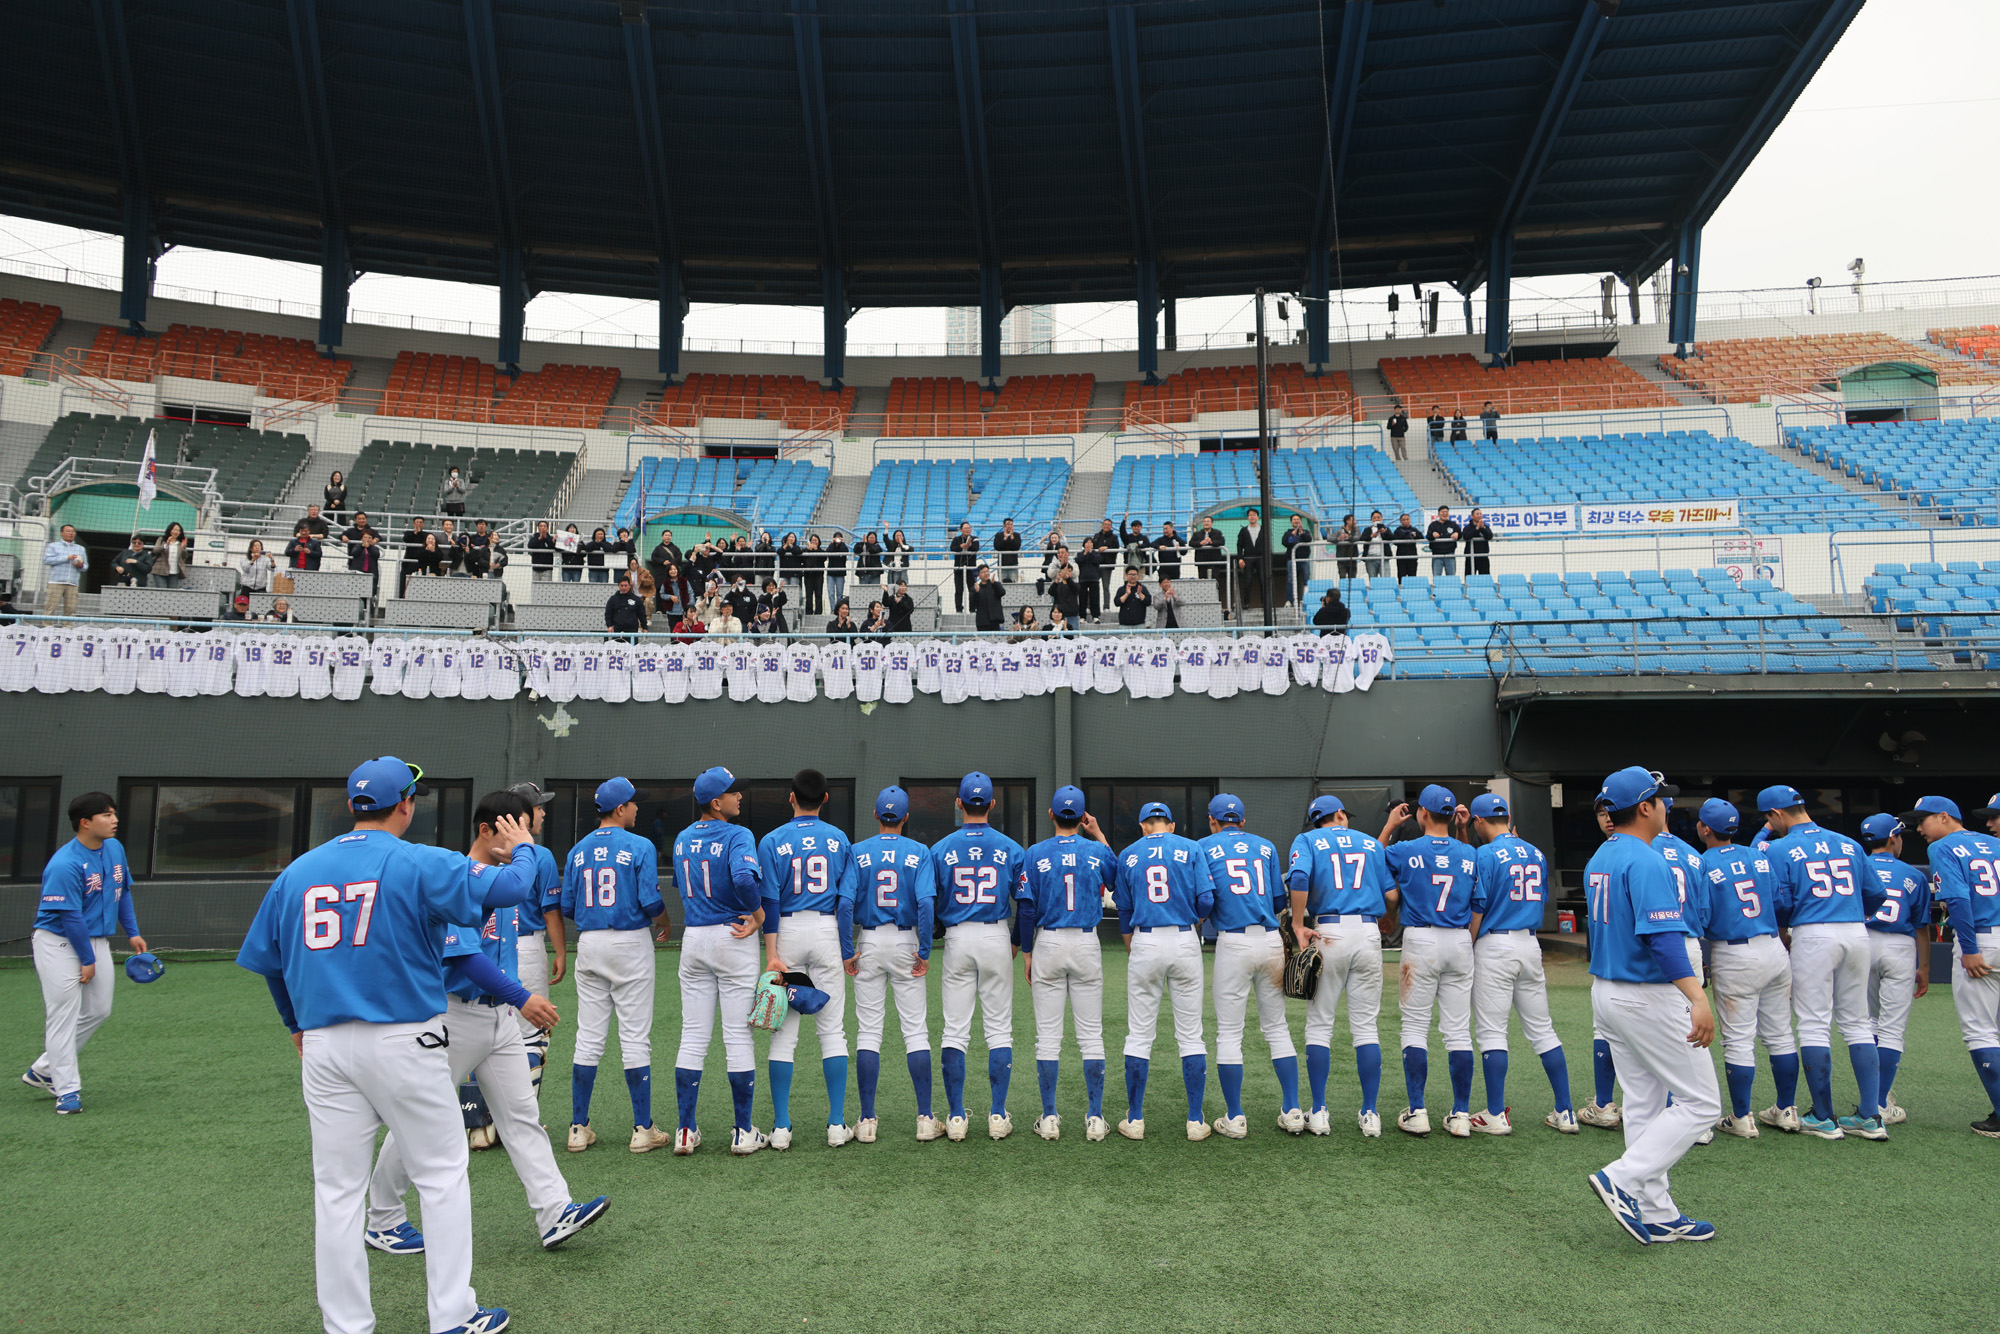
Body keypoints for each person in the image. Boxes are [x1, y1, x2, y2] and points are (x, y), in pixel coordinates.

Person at [234, 757, 539, 1334]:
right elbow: (513, 887)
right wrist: (523, 842)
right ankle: (452, 1315)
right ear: (407, 804)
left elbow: (270, 964)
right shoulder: (419, 861)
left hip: (324, 1044)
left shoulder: (298, 870)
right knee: (442, 1175)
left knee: (336, 1191)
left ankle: (347, 1325)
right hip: (404, 1037)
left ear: (352, 805)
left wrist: (294, 1026)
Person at [365, 789, 610, 1254]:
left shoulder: (502, 881)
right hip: (454, 1016)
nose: (523, 837)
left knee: (522, 1118)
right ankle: (383, 1218)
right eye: (512, 828)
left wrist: (512, 1002)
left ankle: (554, 1210)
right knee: (419, 1120)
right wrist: (523, 998)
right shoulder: (454, 878)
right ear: (485, 830)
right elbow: (464, 957)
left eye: (525, 827)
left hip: (496, 1019)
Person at [1582, 766, 1719, 1246]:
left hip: (1609, 991)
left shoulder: (1602, 854)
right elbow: (1662, 939)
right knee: (1701, 1103)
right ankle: (1623, 1177)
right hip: (1647, 993)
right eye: (1661, 799)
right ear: (1645, 807)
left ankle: (1658, 1210)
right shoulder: (1646, 859)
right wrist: (1698, 997)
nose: (1667, 805)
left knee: (1644, 1101)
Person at [1758, 783, 1884, 1140]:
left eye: (1770, 818)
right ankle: (1870, 1117)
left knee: (1814, 1023)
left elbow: (1779, 902)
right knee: (1858, 1023)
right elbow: (1875, 894)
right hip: (1857, 930)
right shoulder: (1849, 843)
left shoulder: (1779, 847)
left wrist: (1786, 926)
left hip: (1813, 932)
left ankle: (1824, 1117)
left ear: (1777, 814)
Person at [561, 777, 671, 1154]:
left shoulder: (577, 850)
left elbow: (568, 907)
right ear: (620, 809)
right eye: (633, 803)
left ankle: (578, 1128)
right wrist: (666, 922)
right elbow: (650, 901)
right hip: (629, 941)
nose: (637, 808)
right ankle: (643, 1129)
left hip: (589, 942)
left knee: (588, 1037)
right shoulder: (639, 845)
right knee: (634, 1038)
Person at [756, 768, 861, 1149]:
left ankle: (782, 1129)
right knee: (832, 1032)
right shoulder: (839, 839)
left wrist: (770, 952)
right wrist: (848, 952)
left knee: (784, 1034)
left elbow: (767, 899)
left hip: (785, 931)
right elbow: (847, 901)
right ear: (826, 799)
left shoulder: (771, 840)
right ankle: (836, 1125)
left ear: (790, 797)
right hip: (826, 930)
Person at [668, 767, 770, 1156]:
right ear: (716, 802)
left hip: (694, 936)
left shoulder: (680, 838)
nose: (739, 796)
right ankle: (743, 1132)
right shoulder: (737, 834)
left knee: (693, 1036)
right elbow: (744, 880)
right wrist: (758, 916)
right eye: (733, 792)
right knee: (737, 1036)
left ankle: (684, 1131)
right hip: (732, 935)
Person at [24, 792, 144, 1115]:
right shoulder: (65, 863)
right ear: (85, 823)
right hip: (58, 943)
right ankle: (67, 1091)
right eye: (106, 815)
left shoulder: (115, 849)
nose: (114, 819)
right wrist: (87, 960)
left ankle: (44, 1068)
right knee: (63, 1014)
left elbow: (122, 892)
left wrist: (132, 932)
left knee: (99, 1009)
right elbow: (70, 916)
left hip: (95, 940)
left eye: (114, 813)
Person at [1464, 793, 1575, 1135]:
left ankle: (1495, 1113)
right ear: (1508, 816)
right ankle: (1566, 1111)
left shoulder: (1483, 853)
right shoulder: (1536, 852)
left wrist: (1466, 946)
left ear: (1479, 821)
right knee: (1543, 1029)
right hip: (1530, 942)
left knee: (1492, 1032)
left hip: (1495, 943)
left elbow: (1478, 907)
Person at [928, 772, 1029, 1141]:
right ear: (992, 804)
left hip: (957, 937)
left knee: (955, 1030)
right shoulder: (1011, 848)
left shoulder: (939, 848)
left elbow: (928, 901)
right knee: (999, 1029)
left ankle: (956, 1118)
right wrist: (1017, 941)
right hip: (996, 933)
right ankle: (998, 1115)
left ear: (959, 804)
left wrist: (931, 935)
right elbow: (1027, 904)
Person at [1287, 795, 1393, 1138]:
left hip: (1328, 930)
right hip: (1367, 931)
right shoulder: (1369, 843)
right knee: (1366, 1027)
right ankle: (1371, 1114)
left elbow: (1299, 877)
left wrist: (1298, 923)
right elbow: (1391, 896)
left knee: (1320, 1025)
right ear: (1340, 814)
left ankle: (1318, 1112)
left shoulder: (1307, 840)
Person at [1693, 798, 1798, 1138]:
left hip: (1735, 953)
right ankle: (1786, 1110)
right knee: (1781, 1034)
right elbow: (1782, 903)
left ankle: (1742, 1118)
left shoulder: (1702, 862)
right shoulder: (1759, 855)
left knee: (1739, 1040)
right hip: (1773, 947)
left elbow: (1702, 917)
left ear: (1705, 829)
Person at [1197, 795, 1300, 1139]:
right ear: (1241, 820)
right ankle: (1293, 1109)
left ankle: (1236, 1117)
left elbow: (1205, 899)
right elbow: (1277, 901)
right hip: (1270, 939)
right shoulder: (1266, 846)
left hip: (1233, 941)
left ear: (1212, 820)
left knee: (1229, 1033)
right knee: (1277, 1027)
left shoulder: (1204, 846)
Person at [1898, 795, 2000, 1138]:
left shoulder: (1944, 847)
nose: (1919, 828)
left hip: (1982, 941)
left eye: (1924, 820)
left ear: (1944, 817)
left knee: (1981, 1032)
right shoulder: (1994, 842)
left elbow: (1957, 899)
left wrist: (1969, 949)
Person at [1016, 787, 1114, 1141]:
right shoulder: (1096, 851)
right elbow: (1116, 880)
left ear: (1050, 814)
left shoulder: (1035, 854)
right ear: (1082, 816)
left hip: (1050, 940)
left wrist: (1028, 952)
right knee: (1091, 1036)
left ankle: (1050, 1118)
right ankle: (1096, 1119)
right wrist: (1098, 834)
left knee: (1048, 1039)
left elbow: (1026, 909)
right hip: (1087, 940)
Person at [1111, 800, 1213, 1141]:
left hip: (1145, 940)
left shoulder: (1129, 854)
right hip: (1184, 937)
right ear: (1170, 824)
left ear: (1143, 826)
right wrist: (1192, 919)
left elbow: (1123, 908)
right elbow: (1207, 900)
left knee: (1139, 1034)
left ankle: (1136, 1119)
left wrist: (1130, 941)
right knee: (1191, 1034)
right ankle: (1196, 1120)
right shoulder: (1191, 847)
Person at [1381, 786, 1479, 1137]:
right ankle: (1462, 1115)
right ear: (1453, 815)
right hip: (1459, 940)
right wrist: (1463, 830)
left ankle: (1418, 1111)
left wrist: (1391, 825)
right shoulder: (1468, 852)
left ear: (1422, 813)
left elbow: (1370, 859)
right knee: (1457, 1032)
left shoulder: (1406, 849)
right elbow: (1476, 891)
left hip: (1421, 938)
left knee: (1414, 1027)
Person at [848, 786, 940, 1142]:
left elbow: (844, 904)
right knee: (915, 1030)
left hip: (869, 938)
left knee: (869, 1031)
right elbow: (927, 905)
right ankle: (925, 1119)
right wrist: (926, 949)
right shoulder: (920, 852)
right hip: (906, 939)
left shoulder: (859, 851)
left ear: (876, 816)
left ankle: (868, 1121)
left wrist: (846, 948)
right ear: (905, 818)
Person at [1857, 812, 1929, 1127]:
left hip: (1862, 942)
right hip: (1900, 945)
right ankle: (1880, 1102)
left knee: (1869, 1023)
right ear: (1893, 838)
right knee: (1892, 1029)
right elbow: (1922, 927)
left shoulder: (1857, 867)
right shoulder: (1914, 874)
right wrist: (1924, 966)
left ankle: (1870, 1099)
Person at [1192, 516, 1226, 606]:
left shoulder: (1217, 532)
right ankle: (1202, 601)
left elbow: (1222, 542)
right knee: (1202, 582)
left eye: (1208, 521)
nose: (1206, 523)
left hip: (1215, 562)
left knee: (1215, 582)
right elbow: (1191, 543)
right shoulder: (1197, 534)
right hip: (1202, 562)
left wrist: (1212, 542)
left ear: (1212, 523)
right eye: (1204, 521)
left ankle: (1215, 600)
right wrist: (1200, 543)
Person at [151, 521, 193, 588]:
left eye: (178, 530)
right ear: (170, 530)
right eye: (174, 529)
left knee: (171, 593)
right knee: (162, 592)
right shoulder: (162, 539)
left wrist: (183, 548)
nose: (176, 532)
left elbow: (184, 557)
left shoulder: (180, 543)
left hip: (174, 572)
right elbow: (155, 551)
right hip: (160, 571)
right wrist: (165, 545)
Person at [949, 522, 979, 613]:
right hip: (959, 568)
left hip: (971, 568)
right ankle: (959, 609)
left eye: (969, 528)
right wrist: (960, 546)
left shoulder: (975, 538)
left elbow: (976, 548)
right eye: (965, 528)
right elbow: (952, 548)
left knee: (973, 589)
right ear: (961, 529)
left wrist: (969, 546)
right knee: (959, 589)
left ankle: (973, 609)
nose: (967, 530)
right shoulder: (956, 539)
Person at [1282, 515, 1312, 604]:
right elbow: (1286, 542)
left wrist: (1301, 531)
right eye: (1294, 519)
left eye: (1298, 519)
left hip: (1304, 560)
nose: (1296, 521)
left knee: (1306, 579)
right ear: (1291, 522)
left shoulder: (1306, 532)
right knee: (1290, 580)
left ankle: (1307, 599)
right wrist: (1293, 534)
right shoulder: (1288, 533)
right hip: (1292, 560)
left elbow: (1308, 539)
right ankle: (1289, 600)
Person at [1425, 506, 1461, 579]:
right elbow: (1428, 536)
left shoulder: (1453, 524)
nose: (1445, 514)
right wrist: (1433, 535)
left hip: (1450, 554)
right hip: (1437, 555)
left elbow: (1461, 534)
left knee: (1451, 577)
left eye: (1446, 512)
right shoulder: (1433, 525)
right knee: (1437, 577)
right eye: (1443, 512)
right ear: (1438, 514)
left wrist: (1457, 534)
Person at [1075, 532, 1104, 623]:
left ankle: (1095, 616)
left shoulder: (1096, 554)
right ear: (1084, 544)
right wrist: (1085, 553)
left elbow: (1097, 561)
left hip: (1094, 579)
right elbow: (1078, 561)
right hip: (1083, 579)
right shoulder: (1080, 554)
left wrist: (1090, 553)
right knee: (1082, 598)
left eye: (1090, 543)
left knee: (1094, 598)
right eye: (1087, 543)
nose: (1089, 544)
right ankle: (1082, 617)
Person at [347, 528, 382, 596]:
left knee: (370, 592)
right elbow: (354, 553)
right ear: (361, 538)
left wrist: (369, 547)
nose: (367, 539)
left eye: (369, 537)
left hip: (371, 572)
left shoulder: (375, 548)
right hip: (359, 572)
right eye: (365, 537)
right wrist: (362, 547)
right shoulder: (357, 546)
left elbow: (376, 555)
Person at [971, 563, 1005, 632]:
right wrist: (976, 592)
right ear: (979, 575)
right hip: (982, 622)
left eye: (987, 571)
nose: (986, 573)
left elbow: (1002, 593)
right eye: (983, 572)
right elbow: (972, 606)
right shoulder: (975, 588)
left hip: (995, 621)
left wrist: (994, 584)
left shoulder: (995, 584)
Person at [1462, 508, 1494, 576]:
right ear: (1472, 516)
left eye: (1480, 514)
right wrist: (1477, 529)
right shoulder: (1467, 528)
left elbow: (1489, 536)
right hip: (1470, 557)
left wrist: (1482, 528)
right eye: (1477, 514)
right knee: (1469, 576)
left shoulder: (1485, 527)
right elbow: (1466, 536)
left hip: (1483, 556)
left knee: (1484, 577)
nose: (1479, 515)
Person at [1390, 512, 1422, 582]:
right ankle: (1401, 590)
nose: (1406, 521)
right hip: (1401, 557)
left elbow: (1421, 537)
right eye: (1404, 520)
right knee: (1401, 576)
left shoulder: (1414, 530)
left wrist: (1414, 536)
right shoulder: (1398, 531)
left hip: (1412, 557)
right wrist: (1403, 535)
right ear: (1401, 521)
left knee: (1412, 576)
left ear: (1410, 520)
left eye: (1407, 519)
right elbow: (1394, 541)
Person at [1050, 563, 1081, 632]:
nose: (1067, 573)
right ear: (1061, 572)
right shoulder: (1057, 585)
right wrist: (1057, 580)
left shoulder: (1075, 584)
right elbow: (1051, 592)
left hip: (1072, 617)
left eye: (1069, 571)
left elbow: (1076, 590)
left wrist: (1067, 578)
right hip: (1058, 618)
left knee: (1074, 639)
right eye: (1065, 571)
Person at [1361, 510, 1391, 581]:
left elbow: (1392, 537)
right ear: (1371, 520)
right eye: (1374, 518)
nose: (1376, 519)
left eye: (1378, 517)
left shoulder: (1386, 529)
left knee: (1386, 578)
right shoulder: (1367, 529)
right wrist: (1371, 536)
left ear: (1381, 518)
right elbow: (1362, 538)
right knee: (1372, 578)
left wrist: (1384, 532)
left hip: (1384, 556)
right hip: (1371, 557)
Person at [802, 533, 826, 617]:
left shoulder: (821, 551)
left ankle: (818, 612)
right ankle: (809, 612)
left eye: (815, 540)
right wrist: (808, 550)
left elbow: (824, 558)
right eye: (812, 540)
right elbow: (801, 558)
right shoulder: (805, 550)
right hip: (808, 575)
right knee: (809, 594)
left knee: (818, 594)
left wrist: (816, 550)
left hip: (818, 575)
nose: (814, 541)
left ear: (819, 542)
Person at [825, 530, 850, 609]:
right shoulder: (831, 547)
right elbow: (827, 552)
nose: (837, 539)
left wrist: (842, 543)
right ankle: (833, 609)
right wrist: (832, 543)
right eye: (836, 538)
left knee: (840, 594)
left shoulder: (843, 547)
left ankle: (839, 610)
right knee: (831, 593)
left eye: (839, 538)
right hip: (831, 574)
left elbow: (846, 551)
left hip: (840, 574)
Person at [992, 519, 1021, 584]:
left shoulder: (1016, 535)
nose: (1010, 526)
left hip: (1013, 564)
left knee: (1014, 584)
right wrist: (1004, 538)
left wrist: (1012, 536)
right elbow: (997, 547)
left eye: (1011, 524)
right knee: (1002, 584)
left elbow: (1017, 547)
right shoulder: (998, 535)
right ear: (1004, 525)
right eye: (1008, 524)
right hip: (1002, 565)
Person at [1332, 516, 1359, 581]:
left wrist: (1349, 537)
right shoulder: (1339, 531)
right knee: (1342, 578)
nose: (1355, 522)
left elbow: (1358, 537)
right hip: (1342, 559)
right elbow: (1330, 538)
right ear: (1347, 521)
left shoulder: (1356, 530)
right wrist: (1338, 538)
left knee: (1352, 579)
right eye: (1353, 520)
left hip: (1353, 558)